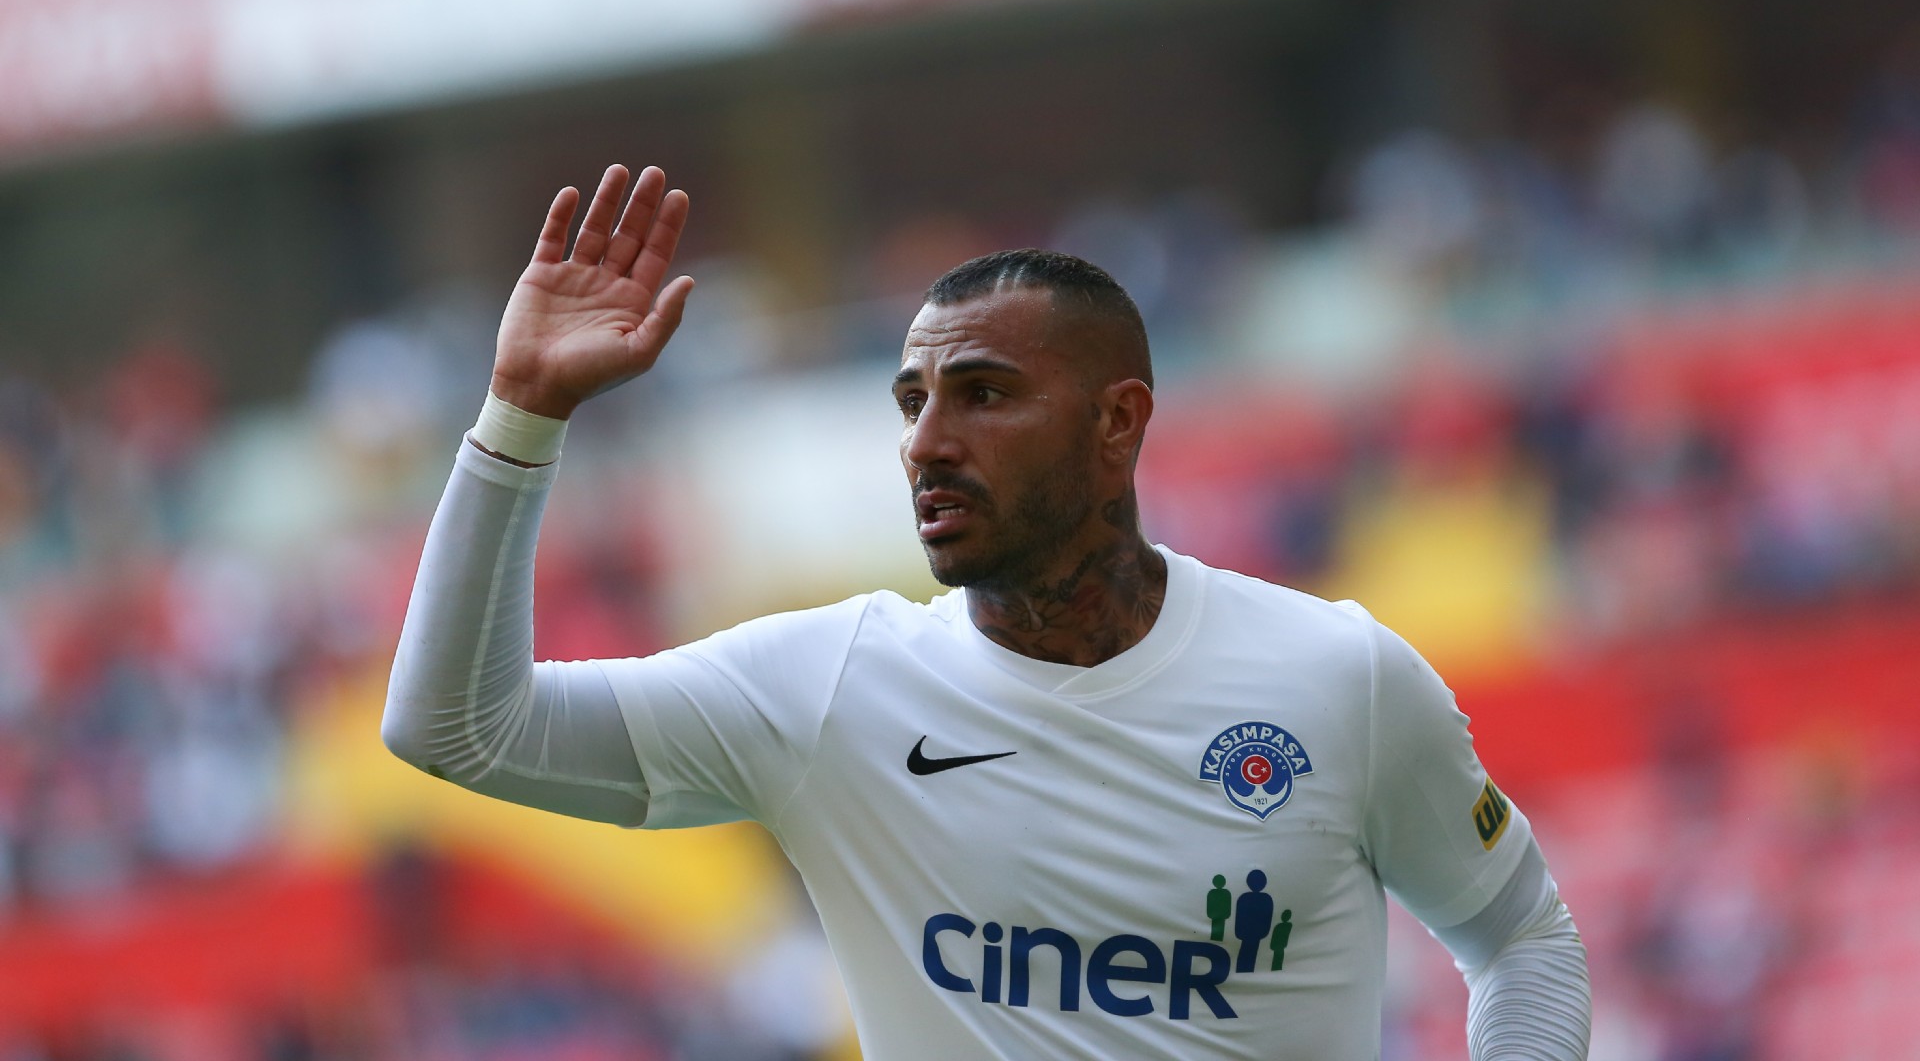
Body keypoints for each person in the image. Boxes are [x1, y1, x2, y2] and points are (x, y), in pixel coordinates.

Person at [383, 165, 1592, 1058]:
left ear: (1118, 420)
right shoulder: (828, 689)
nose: (926, 442)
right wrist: (522, 411)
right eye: (912, 400)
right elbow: (456, 726)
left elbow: (1523, 938)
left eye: (984, 394)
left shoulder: (1337, 676)